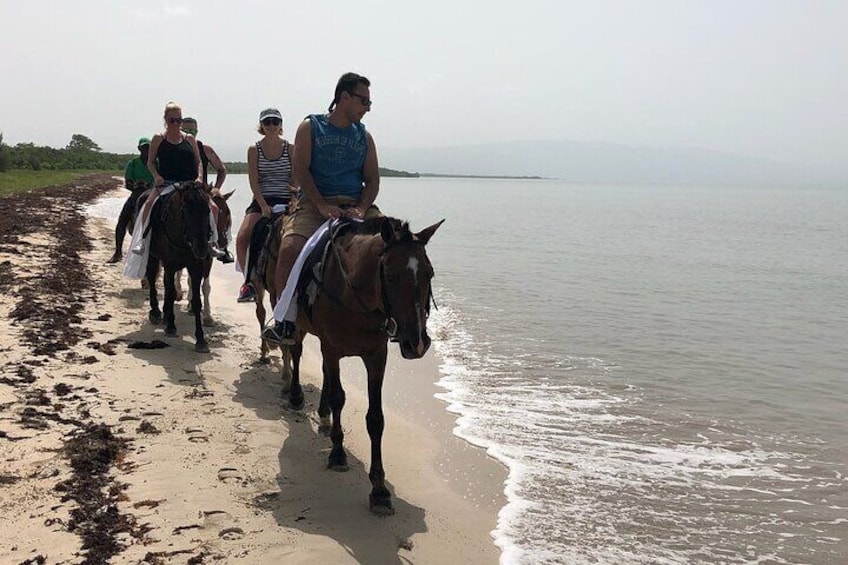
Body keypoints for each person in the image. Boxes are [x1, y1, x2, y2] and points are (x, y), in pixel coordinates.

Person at [262, 72, 381, 344]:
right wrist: (321, 204)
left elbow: (372, 180)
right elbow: (301, 170)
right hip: (314, 205)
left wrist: (362, 209)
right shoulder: (310, 127)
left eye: (370, 104)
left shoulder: (365, 137)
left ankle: (400, 318)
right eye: (364, 102)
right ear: (344, 97)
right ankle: (285, 321)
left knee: (397, 244)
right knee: (289, 249)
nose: (367, 109)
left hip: (356, 205)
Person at [123, 101, 225, 279]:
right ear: (165, 120)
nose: (176, 123)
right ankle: (142, 241)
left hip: (189, 183)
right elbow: (151, 161)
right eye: (173, 120)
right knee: (148, 205)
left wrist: (199, 177)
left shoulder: (189, 139)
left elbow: (198, 161)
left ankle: (212, 242)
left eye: (179, 120)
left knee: (214, 209)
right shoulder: (158, 138)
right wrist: (156, 176)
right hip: (166, 182)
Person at [235, 108, 295, 302]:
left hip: (288, 199)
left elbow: (295, 178)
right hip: (263, 199)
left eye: (275, 122)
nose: (271, 125)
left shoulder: (291, 148)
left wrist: (292, 201)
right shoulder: (254, 149)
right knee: (243, 238)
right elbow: (254, 181)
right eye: (267, 122)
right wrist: (262, 205)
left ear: (280, 125)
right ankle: (249, 282)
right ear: (261, 125)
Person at [180, 116, 234, 263]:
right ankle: (147, 242)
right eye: (185, 129)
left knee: (218, 209)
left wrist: (216, 188)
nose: (189, 132)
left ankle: (218, 243)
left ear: (197, 131)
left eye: (192, 130)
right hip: (178, 189)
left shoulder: (205, 149)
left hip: (200, 191)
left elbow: (222, 170)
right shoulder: (173, 145)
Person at [107, 137, 154, 263]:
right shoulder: (132, 164)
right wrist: (137, 185)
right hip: (136, 194)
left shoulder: (156, 163)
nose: (146, 150)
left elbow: (159, 180)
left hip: (152, 194)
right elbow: (127, 184)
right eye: (143, 148)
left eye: (148, 148)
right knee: (121, 222)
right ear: (139, 149)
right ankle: (117, 252)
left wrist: (149, 186)